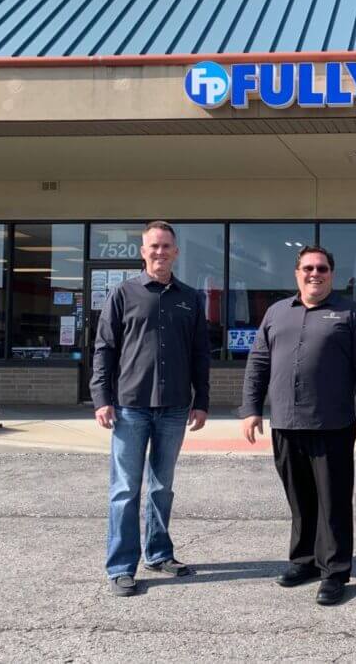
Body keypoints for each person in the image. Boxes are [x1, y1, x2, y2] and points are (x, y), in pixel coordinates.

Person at [240, 245, 356, 606]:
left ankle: (335, 572)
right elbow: (258, 363)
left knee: (333, 502)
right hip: (286, 424)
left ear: (331, 274)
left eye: (322, 268)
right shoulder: (277, 313)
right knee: (300, 499)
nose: (315, 273)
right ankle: (304, 561)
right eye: (308, 267)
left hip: (332, 424)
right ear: (296, 273)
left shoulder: (350, 314)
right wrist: (251, 409)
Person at [91, 221, 210, 597]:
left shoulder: (190, 298)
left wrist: (202, 400)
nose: (160, 252)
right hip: (130, 407)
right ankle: (121, 567)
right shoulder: (122, 294)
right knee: (125, 489)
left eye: (166, 246)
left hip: (174, 407)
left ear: (176, 252)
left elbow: (200, 354)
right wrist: (101, 397)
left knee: (162, 488)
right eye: (153, 247)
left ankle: (158, 553)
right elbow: (104, 349)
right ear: (143, 252)